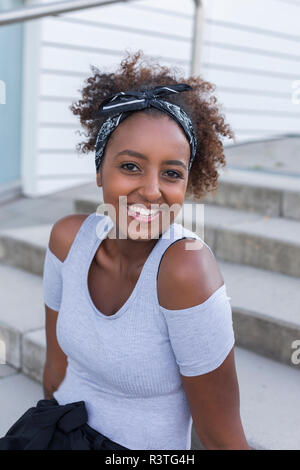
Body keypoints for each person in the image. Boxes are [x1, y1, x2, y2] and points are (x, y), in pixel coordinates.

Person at [0, 50, 251, 450]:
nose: (151, 191)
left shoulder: (185, 270)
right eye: (130, 166)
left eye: (171, 173)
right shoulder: (68, 240)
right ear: (100, 169)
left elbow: (222, 437)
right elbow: (56, 370)